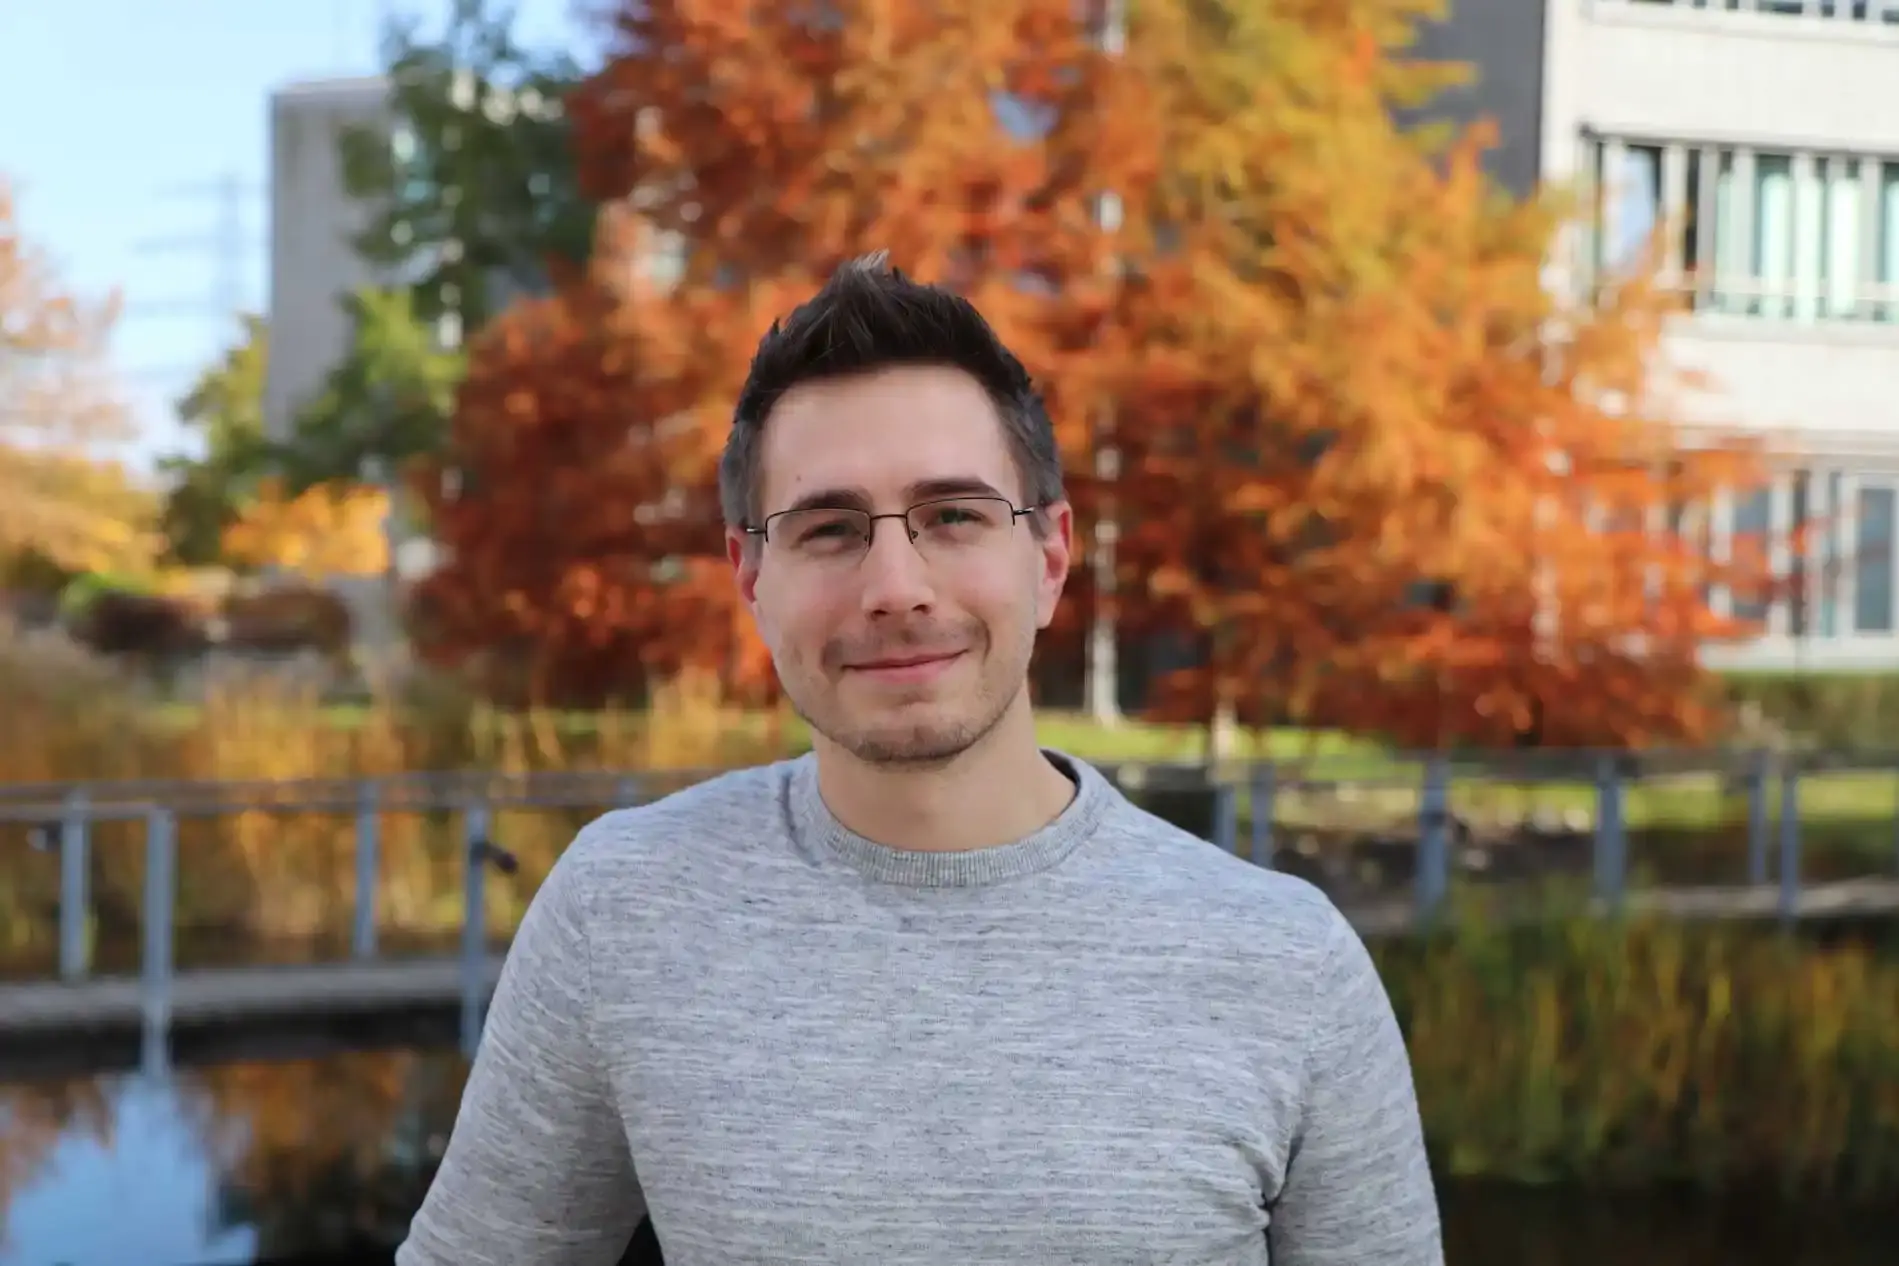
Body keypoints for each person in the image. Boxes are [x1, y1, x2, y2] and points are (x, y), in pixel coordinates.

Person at [395, 254, 1444, 1266]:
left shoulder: (1288, 965)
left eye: (952, 515)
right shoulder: (620, 914)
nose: (895, 585)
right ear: (749, 572)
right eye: (829, 528)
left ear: (1049, 556)